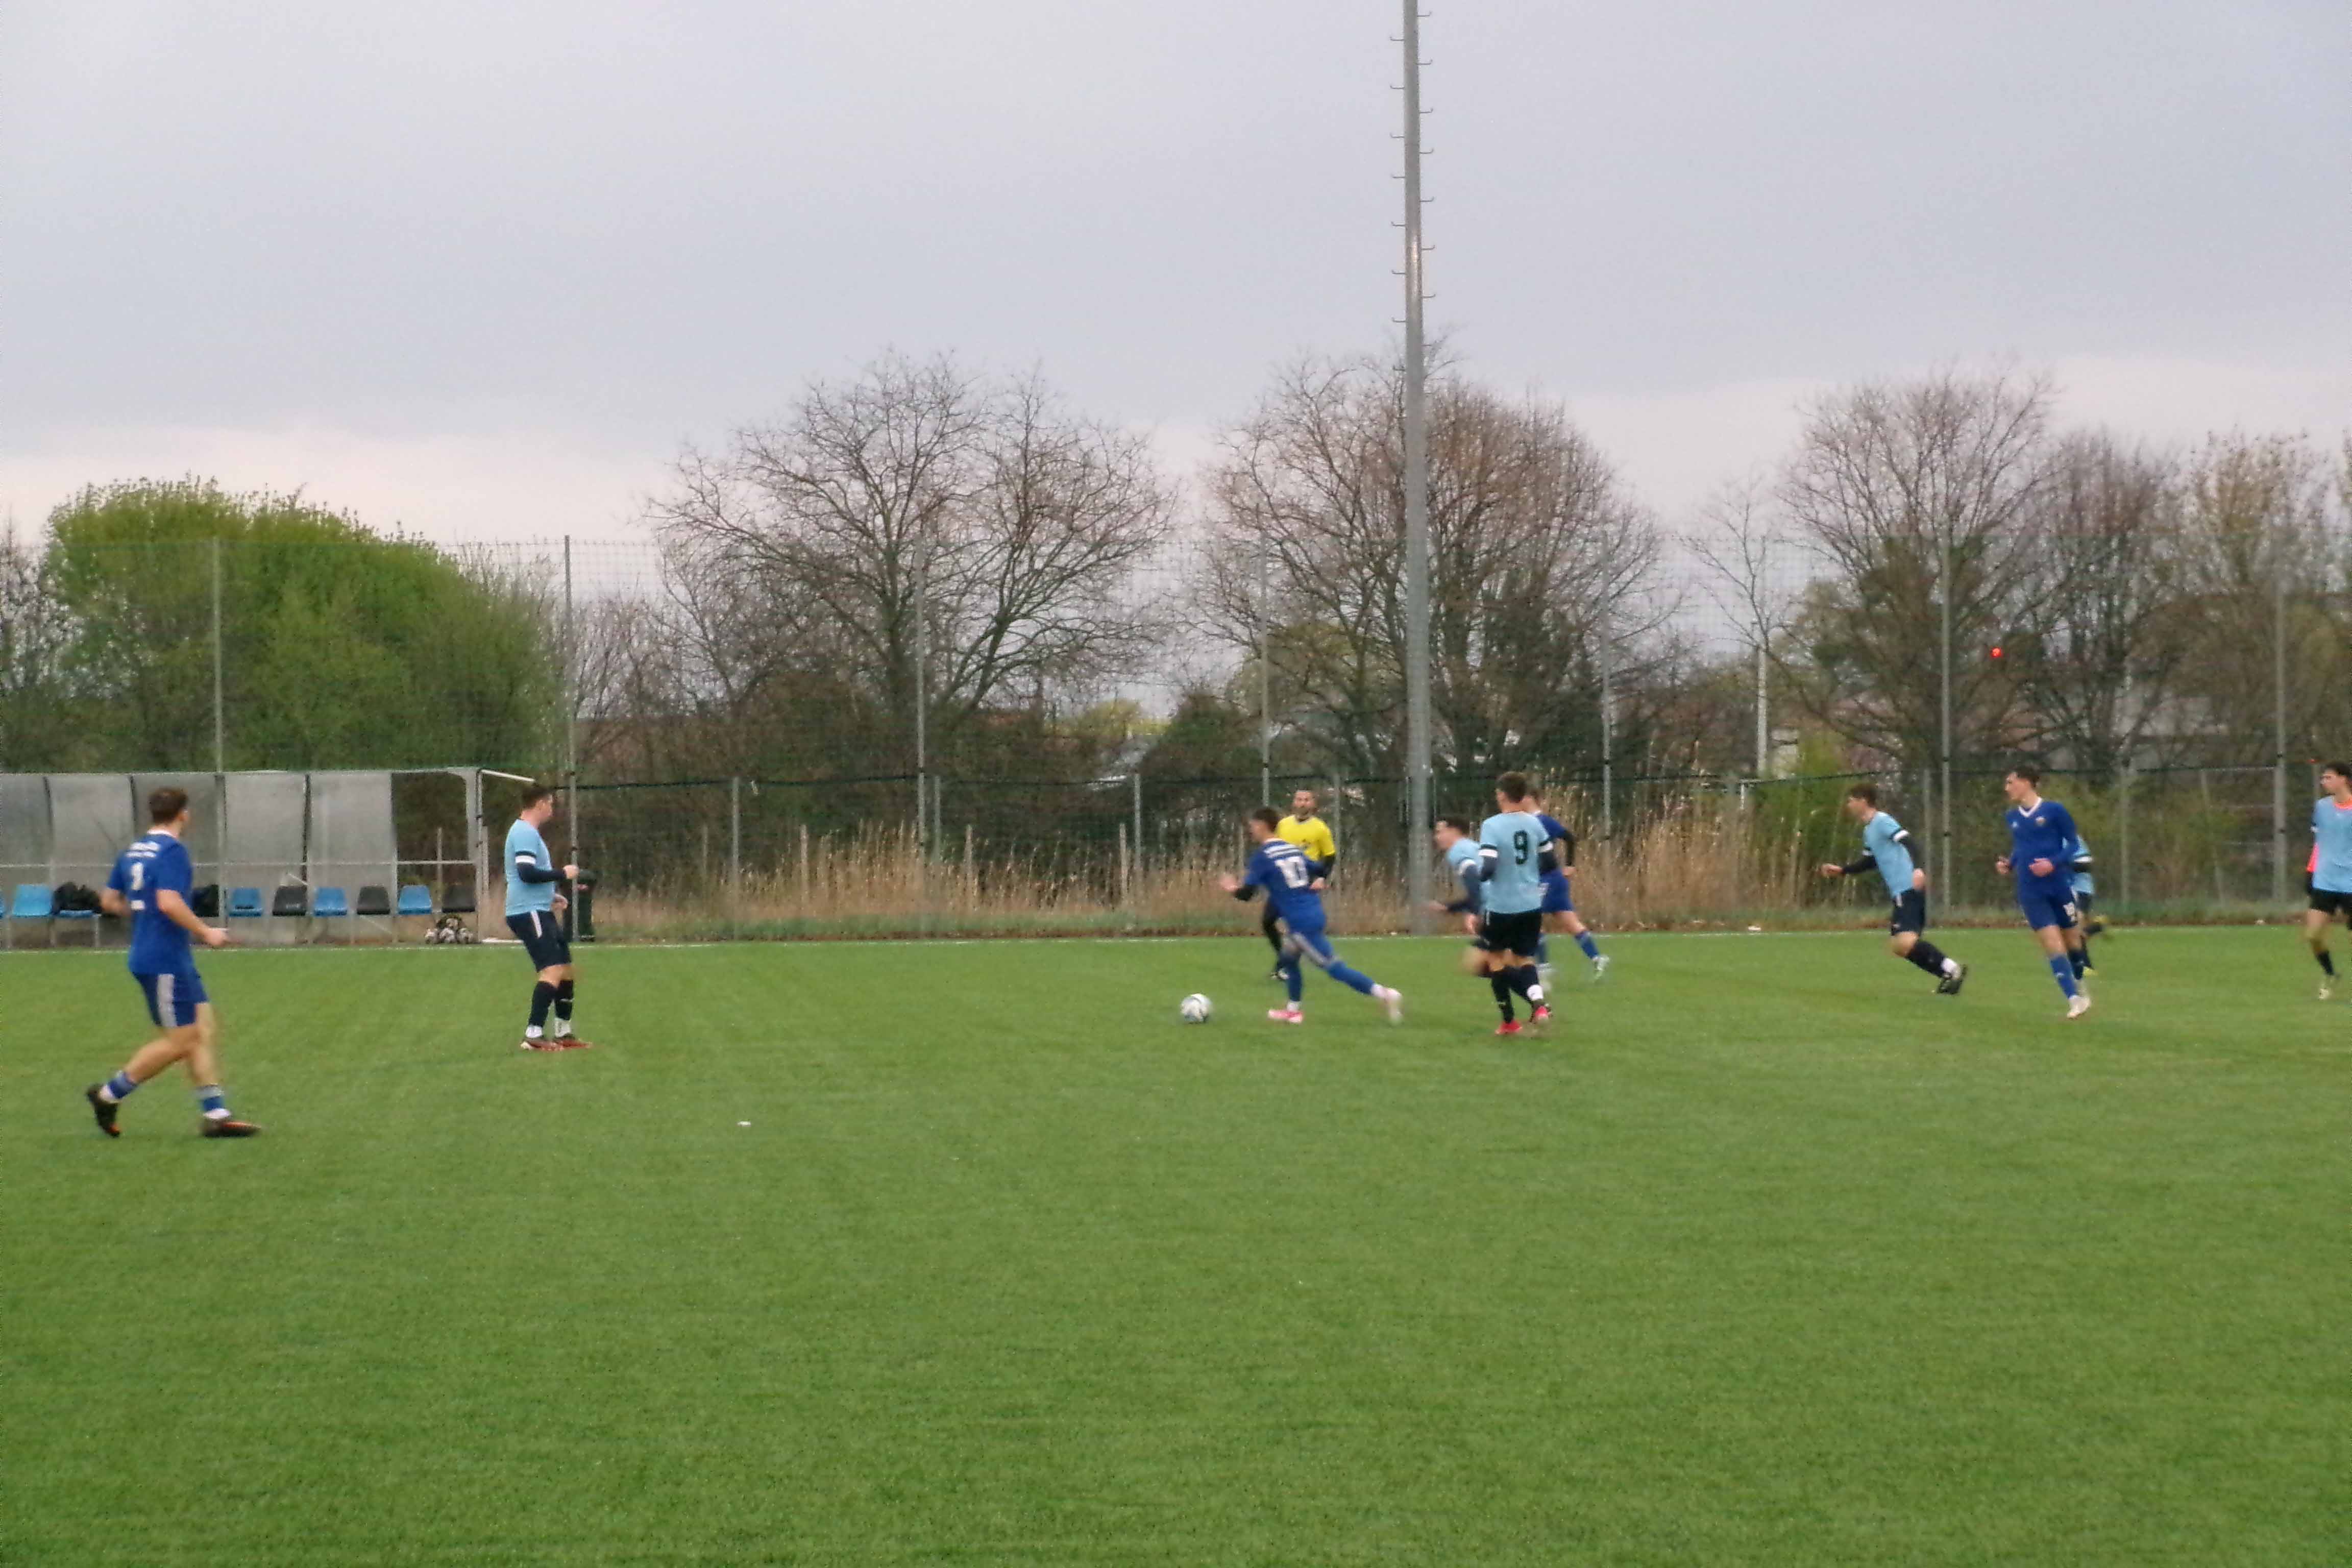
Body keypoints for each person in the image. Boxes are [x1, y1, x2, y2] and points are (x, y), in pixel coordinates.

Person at [83, 788, 259, 1138]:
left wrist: (141, 913)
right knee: (181, 1041)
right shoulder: (172, 851)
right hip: (162, 959)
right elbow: (168, 902)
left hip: (167, 956)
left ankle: (216, 1115)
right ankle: (108, 1096)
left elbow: (109, 901)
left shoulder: (133, 851)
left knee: (202, 1029)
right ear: (183, 814)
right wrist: (207, 932)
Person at [1221, 807, 1402, 1025]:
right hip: (1311, 912)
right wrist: (1319, 880)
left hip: (1301, 923)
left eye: (1252, 826)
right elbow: (1319, 869)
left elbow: (1247, 894)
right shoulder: (1291, 849)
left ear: (1262, 825)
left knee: (1334, 969)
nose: (1250, 830)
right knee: (1289, 960)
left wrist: (1232, 888)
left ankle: (1384, 994)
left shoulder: (1263, 856)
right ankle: (1293, 1011)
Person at [1818, 782, 1966, 995]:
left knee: (1905, 942)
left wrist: (1918, 869)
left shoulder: (1882, 821)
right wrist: (1843, 871)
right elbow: (1870, 861)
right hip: (1900, 893)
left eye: (1851, 801)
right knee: (1899, 946)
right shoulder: (1869, 830)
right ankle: (1948, 974)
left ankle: (1952, 969)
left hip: (1908, 888)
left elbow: (1909, 842)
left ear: (1863, 801)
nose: (1848, 805)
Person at [1994, 766, 2092, 1019]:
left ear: (2026, 782)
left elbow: (2072, 844)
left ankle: (2080, 984)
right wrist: (2010, 864)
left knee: (2073, 942)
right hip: (2030, 891)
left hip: (2058, 886)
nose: (2007, 788)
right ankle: (2074, 1000)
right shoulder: (2012, 817)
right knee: (2052, 944)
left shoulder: (2055, 811)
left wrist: (2053, 863)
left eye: (2010, 782)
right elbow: (2021, 847)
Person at [506, 783, 592, 1051]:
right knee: (552, 969)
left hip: (539, 908)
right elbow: (526, 873)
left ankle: (564, 1033)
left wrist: (551, 895)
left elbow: (529, 876)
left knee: (564, 969)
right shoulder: (524, 832)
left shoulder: (530, 833)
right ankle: (533, 1034)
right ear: (540, 804)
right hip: (527, 911)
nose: (552, 809)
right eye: (551, 804)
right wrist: (562, 874)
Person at [1475, 773, 1553, 1036]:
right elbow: (1550, 862)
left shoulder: (1491, 825)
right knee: (1525, 958)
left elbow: (1488, 867)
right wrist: (1528, 876)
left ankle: (1509, 1021)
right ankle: (1539, 1006)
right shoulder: (1535, 823)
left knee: (1496, 959)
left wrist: (1480, 877)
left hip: (1501, 906)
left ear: (1501, 794)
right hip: (1531, 904)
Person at [1528, 792, 1608, 983]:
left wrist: (1570, 865)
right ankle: (1597, 958)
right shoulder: (1527, 822)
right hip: (1552, 880)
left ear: (1529, 799)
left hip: (1549, 879)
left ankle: (1543, 967)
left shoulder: (1542, 821)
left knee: (1532, 918)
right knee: (1571, 923)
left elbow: (1569, 837)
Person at [1263, 788, 1337, 981]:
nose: (1302, 803)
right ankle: (1284, 960)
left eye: (1306, 800)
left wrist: (1321, 878)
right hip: (1282, 881)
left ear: (1313, 804)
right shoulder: (1283, 825)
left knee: (1295, 926)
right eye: (1299, 799)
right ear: (1294, 803)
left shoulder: (1320, 828)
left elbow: (1330, 857)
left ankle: (1285, 967)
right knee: (1268, 922)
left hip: (1304, 881)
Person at [2302, 761, 2352, 998]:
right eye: (2323, 778)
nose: (2324, 782)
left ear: (2344, 779)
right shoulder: (2321, 807)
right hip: (2325, 881)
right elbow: (2319, 843)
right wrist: (2310, 871)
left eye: (2329, 777)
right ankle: (2331, 973)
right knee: (2312, 936)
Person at [2062, 827, 2099, 974]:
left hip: (2081, 890)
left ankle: (2085, 965)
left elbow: (2086, 862)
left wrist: (2061, 865)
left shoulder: (2070, 838)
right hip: (2064, 891)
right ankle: (2096, 927)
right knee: (2068, 932)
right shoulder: (2047, 840)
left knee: (2074, 929)